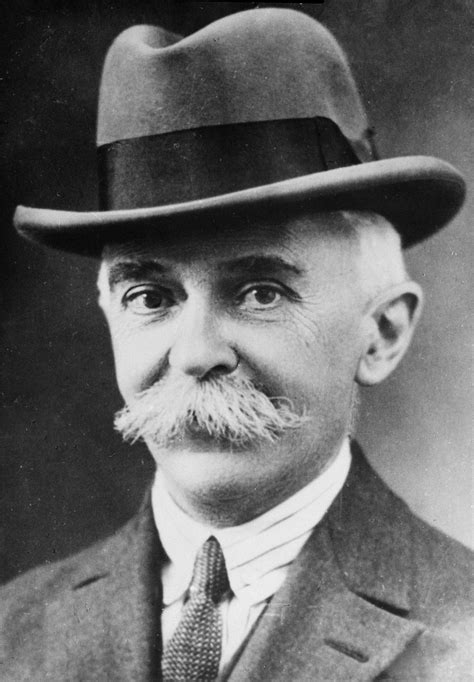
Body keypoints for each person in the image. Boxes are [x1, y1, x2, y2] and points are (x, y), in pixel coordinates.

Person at [1, 8, 472, 681]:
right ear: (108, 314)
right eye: (151, 297)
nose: (195, 353)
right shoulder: (12, 633)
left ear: (382, 333)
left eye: (261, 292)